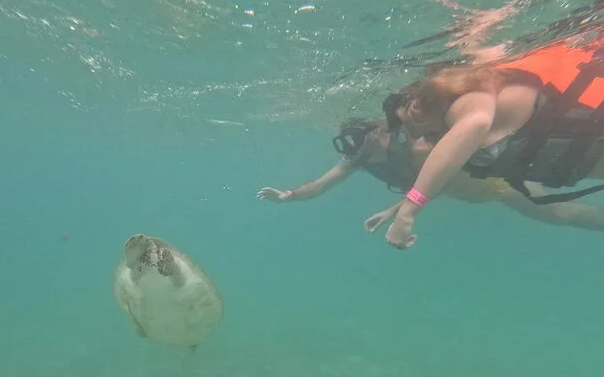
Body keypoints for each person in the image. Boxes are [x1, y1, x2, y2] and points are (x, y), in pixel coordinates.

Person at [377, 37, 604, 249]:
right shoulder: (449, 130)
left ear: (416, 104)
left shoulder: (467, 98)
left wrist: (409, 211)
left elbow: (477, 122)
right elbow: (444, 172)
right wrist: (399, 209)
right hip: (583, 157)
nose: (414, 135)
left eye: (407, 124)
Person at [256, 117, 604, 233]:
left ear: (378, 134)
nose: (356, 151)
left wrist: (393, 211)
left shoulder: (418, 147)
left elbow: (434, 183)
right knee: (557, 211)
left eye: (361, 142)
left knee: (559, 212)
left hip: (495, 183)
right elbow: (321, 185)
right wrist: (289, 196)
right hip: (478, 191)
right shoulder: (359, 159)